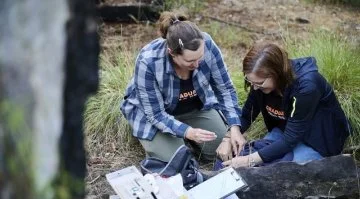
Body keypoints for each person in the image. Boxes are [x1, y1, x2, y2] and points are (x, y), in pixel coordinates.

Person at [120, 11, 246, 163]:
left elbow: (225, 89)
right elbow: (155, 114)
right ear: (172, 53)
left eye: (200, 57)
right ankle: (166, 141)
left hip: (194, 108)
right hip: (156, 115)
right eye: (190, 61)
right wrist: (187, 132)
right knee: (178, 162)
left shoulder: (207, 44)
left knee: (225, 150)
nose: (197, 64)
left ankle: (186, 139)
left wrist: (234, 127)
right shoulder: (149, 61)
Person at [218, 42, 351, 168]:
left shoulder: (307, 86)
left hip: (319, 140)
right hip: (284, 131)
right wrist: (229, 136)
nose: (255, 87)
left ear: (277, 73)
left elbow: (290, 140)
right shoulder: (258, 82)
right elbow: (247, 114)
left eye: (259, 83)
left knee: (277, 170)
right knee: (248, 158)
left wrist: (249, 160)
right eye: (250, 81)